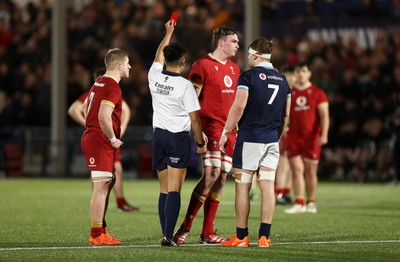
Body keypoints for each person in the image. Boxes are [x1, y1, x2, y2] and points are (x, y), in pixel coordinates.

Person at [219, 37, 291, 247]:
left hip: (250, 139)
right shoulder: (283, 79)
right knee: (267, 187)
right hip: (271, 141)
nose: (248, 57)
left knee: (242, 187)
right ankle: (264, 237)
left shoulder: (248, 76)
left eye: (250, 54)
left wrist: (226, 131)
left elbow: (238, 107)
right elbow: (286, 116)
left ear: (256, 55)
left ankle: (241, 237)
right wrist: (276, 137)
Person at [174, 25, 240, 245]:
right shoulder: (202, 65)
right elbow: (192, 100)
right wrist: (196, 131)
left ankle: (208, 233)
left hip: (229, 131)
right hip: (210, 126)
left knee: (221, 177)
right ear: (221, 43)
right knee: (210, 175)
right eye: (234, 41)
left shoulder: (234, 69)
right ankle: (185, 226)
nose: (237, 45)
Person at [148, 20, 207, 246]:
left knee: (163, 189)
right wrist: (200, 143)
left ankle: (166, 233)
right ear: (183, 62)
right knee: (175, 189)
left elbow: (157, 57)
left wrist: (168, 33)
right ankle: (168, 236)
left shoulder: (154, 76)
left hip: (158, 137)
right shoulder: (184, 86)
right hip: (177, 138)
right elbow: (195, 119)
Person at [68, 69, 139, 212]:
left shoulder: (103, 91)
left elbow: (125, 109)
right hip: (104, 137)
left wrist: (120, 128)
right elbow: (75, 110)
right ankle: (107, 209)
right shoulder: (103, 90)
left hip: (108, 136)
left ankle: (110, 206)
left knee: (110, 172)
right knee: (104, 176)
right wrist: (91, 125)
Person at [81, 48, 131, 245]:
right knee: (101, 187)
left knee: (104, 185)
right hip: (100, 140)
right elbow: (103, 116)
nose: (130, 67)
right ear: (119, 66)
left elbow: (86, 107)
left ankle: (100, 230)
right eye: (127, 63)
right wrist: (111, 138)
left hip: (95, 137)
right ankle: (96, 234)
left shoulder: (99, 82)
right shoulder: (112, 86)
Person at [284, 62, 329, 214]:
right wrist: (285, 126)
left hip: (311, 137)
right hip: (294, 137)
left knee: (310, 171)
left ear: (309, 74)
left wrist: (324, 134)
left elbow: (324, 116)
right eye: (298, 71)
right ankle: (299, 201)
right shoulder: (290, 92)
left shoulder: (318, 93)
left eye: (304, 71)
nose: (301, 74)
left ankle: (311, 201)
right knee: (297, 169)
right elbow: (284, 113)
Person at [275, 65, 296, 205]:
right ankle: (279, 193)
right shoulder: (283, 90)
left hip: (295, 131)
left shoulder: (294, 92)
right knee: (284, 161)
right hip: (286, 130)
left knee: (291, 162)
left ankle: (286, 191)